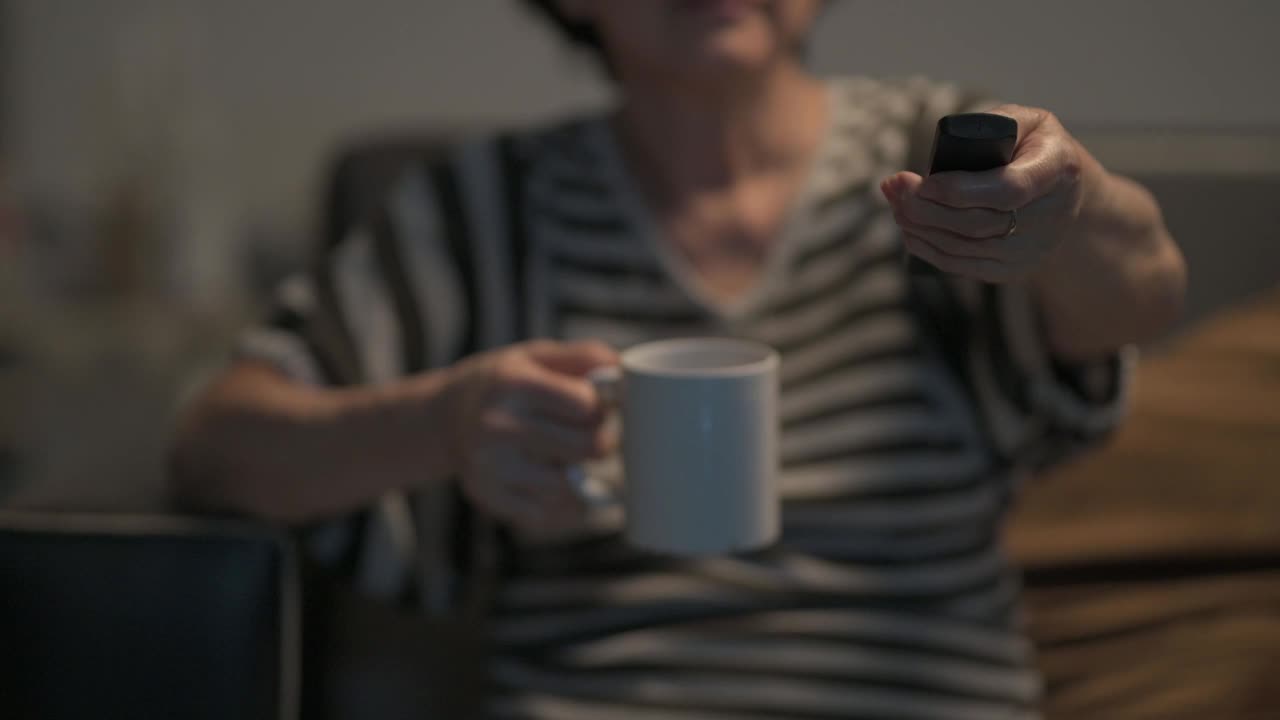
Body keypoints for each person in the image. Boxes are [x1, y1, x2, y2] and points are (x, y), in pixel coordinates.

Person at [172, 1, 1186, 717]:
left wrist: (1072, 207)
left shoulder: (931, 165)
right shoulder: (486, 209)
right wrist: (438, 422)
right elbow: (216, 449)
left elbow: (1135, 296)